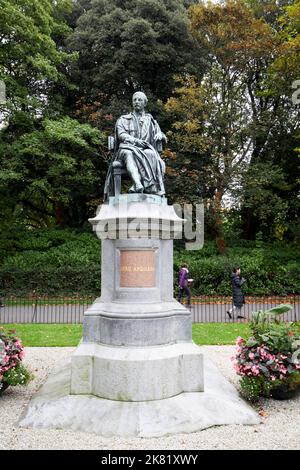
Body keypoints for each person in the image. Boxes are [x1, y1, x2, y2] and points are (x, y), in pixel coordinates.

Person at [104, 91, 167, 199]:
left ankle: (148, 187)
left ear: (145, 103)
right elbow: (121, 134)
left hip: (144, 150)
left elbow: (161, 135)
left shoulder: (151, 121)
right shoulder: (123, 119)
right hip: (125, 149)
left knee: (151, 153)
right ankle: (138, 183)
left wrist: (160, 135)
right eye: (134, 100)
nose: (136, 102)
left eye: (139, 100)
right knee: (129, 153)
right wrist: (135, 141)